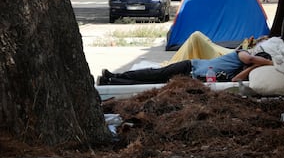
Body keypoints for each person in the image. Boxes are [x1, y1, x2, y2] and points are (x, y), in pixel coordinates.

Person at [96, 49, 273, 85]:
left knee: (154, 84)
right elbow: (249, 57)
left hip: (191, 79)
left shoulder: (240, 72)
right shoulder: (240, 54)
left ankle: (112, 81)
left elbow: (235, 80)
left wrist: (252, 69)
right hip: (189, 67)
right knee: (154, 74)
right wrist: (269, 63)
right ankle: (115, 74)